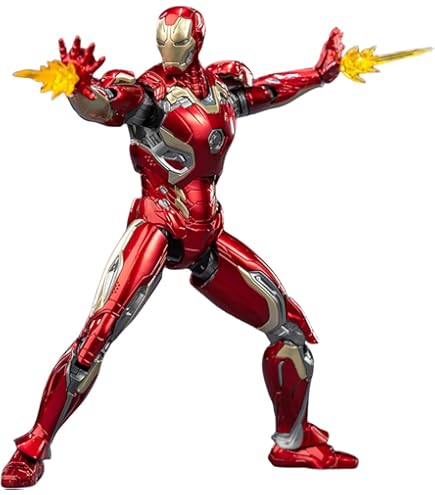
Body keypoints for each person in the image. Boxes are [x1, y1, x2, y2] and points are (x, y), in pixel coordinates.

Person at [2, 6, 357, 488]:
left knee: (290, 330)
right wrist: (79, 88)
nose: (169, 48)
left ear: (197, 41)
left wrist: (319, 74)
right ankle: (33, 447)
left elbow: (269, 91)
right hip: (158, 227)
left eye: (179, 41)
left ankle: (292, 442)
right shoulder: (148, 94)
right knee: (96, 338)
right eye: (163, 40)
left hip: (206, 234)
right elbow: (107, 105)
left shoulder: (220, 90)